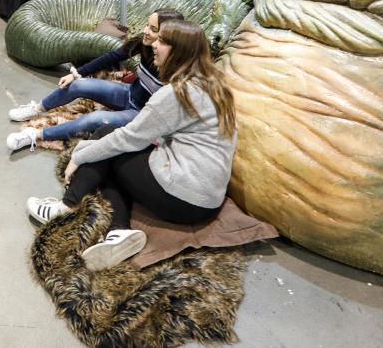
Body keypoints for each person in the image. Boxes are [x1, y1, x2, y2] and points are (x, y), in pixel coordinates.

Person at [26, 20, 237, 270]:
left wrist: (79, 155)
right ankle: (119, 233)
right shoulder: (213, 84)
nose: (153, 44)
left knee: (108, 142)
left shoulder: (175, 93)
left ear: (179, 51)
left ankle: (67, 206)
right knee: (111, 142)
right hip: (208, 198)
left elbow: (126, 139)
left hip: (183, 198)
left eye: (162, 41)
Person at [7, 9, 185, 150]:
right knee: (76, 84)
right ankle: (37, 108)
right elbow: (112, 56)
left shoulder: (180, 70)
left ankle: (36, 134)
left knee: (94, 119)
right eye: (147, 25)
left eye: (153, 30)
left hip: (141, 113)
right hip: (129, 94)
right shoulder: (145, 44)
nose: (146, 31)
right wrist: (77, 73)